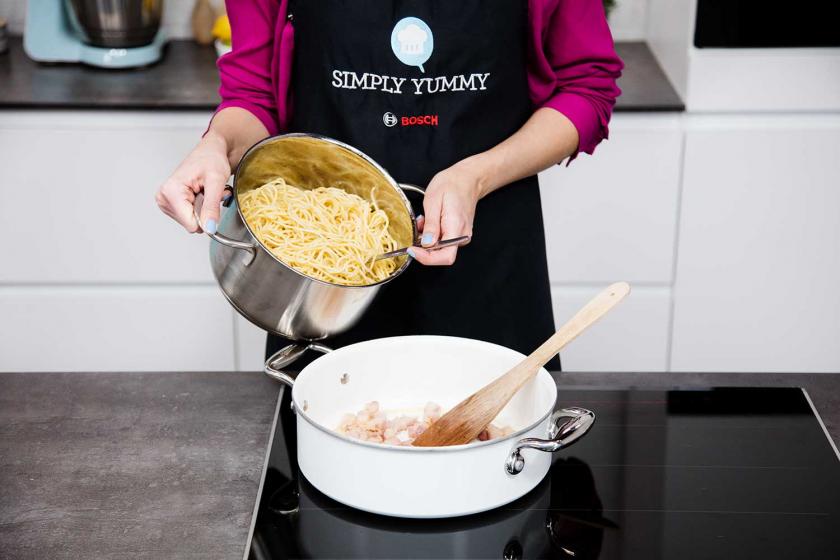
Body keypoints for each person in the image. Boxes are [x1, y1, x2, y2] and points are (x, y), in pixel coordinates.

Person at [156, 0, 622, 373]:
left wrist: (474, 176)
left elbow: (587, 84)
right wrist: (217, 144)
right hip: (321, 281)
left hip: (489, 261)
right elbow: (255, 93)